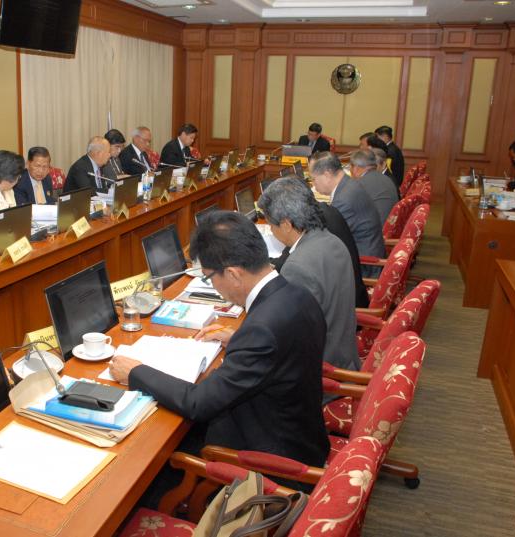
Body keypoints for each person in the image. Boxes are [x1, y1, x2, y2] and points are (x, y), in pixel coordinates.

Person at [110, 210, 329, 469]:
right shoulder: (298, 295)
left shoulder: (261, 331)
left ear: (234, 274)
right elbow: (280, 349)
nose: (212, 285)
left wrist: (136, 372)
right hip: (302, 433)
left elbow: (198, 403)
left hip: (273, 458)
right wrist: (238, 338)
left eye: (209, 277)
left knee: (153, 455)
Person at [258, 178, 360, 378]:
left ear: (286, 224)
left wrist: (241, 339)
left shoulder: (297, 267)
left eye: (271, 225)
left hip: (319, 373)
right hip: (343, 355)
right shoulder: (332, 240)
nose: (271, 230)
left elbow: (288, 339)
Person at [310, 151, 385, 277]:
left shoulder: (344, 200)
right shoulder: (348, 184)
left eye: (314, 179)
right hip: (365, 252)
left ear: (327, 174)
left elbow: (327, 240)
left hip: (364, 266)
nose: (313, 184)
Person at [349, 149, 399, 228]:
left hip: (373, 230)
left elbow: (348, 212)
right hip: (388, 227)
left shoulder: (360, 184)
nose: (350, 170)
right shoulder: (387, 179)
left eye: (351, 167)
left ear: (356, 168)